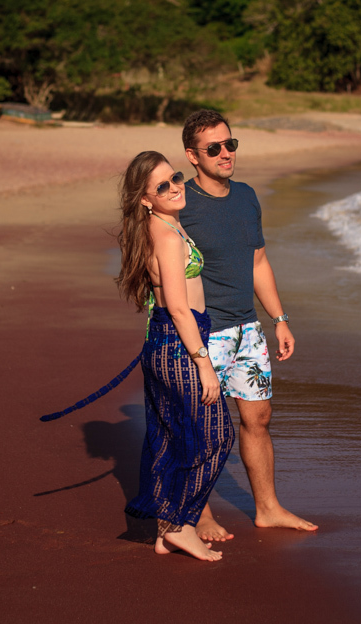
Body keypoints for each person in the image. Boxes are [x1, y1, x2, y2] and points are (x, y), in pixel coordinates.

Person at [179, 110, 318, 540]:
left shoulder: (246, 196)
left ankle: (268, 508)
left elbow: (258, 261)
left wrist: (279, 319)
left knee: (258, 417)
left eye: (230, 144)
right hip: (205, 330)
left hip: (247, 329)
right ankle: (197, 515)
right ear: (192, 156)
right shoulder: (180, 203)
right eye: (214, 148)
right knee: (203, 424)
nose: (225, 154)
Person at [116, 150, 235, 561]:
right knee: (216, 437)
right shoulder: (165, 235)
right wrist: (204, 364)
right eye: (162, 186)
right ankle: (183, 525)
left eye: (176, 178)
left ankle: (165, 531)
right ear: (146, 199)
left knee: (171, 439)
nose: (174, 187)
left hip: (167, 342)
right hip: (180, 344)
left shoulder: (161, 226)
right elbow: (179, 307)